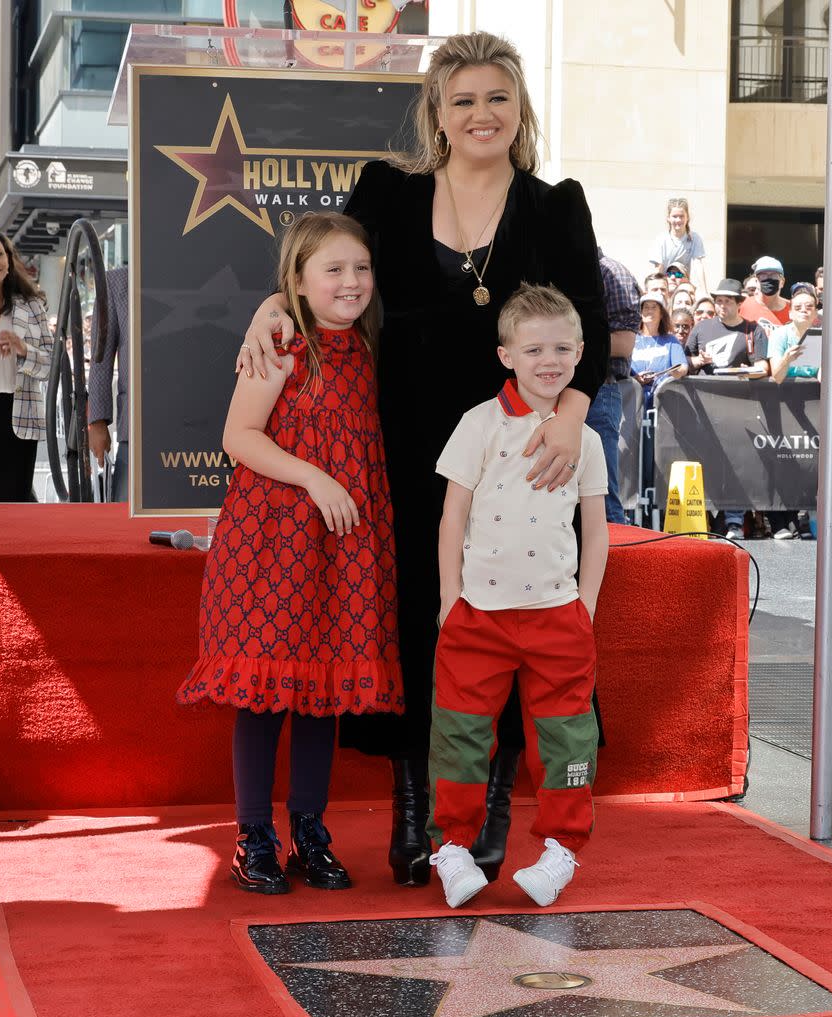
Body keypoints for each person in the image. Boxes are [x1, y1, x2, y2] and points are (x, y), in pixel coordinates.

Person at [238, 31, 609, 888]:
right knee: (420, 621)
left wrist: (569, 419)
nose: (482, 114)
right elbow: (323, 270)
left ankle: (491, 810)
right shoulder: (388, 192)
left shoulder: (558, 206)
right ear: (437, 116)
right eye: (464, 100)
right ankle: (417, 807)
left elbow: (588, 330)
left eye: (497, 98)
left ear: (519, 112)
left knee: (517, 617)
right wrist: (271, 304)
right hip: (400, 449)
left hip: (526, 452)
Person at [178, 213, 403, 895]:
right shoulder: (282, 341)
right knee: (264, 694)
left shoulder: (368, 346)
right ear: (297, 282)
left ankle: (309, 827)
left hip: (343, 545)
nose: (351, 281)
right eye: (332, 269)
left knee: (322, 694)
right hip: (270, 541)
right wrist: (314, 475)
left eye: (360, 268)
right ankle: (254, 834)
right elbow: (239, 435)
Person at [427, 284, 609, 909]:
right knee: (460, 731)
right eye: (533, 349)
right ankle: (451, 849)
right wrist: (451, 597)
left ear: (581, 352)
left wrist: (586, 603)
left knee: (567, 736)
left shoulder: (584, 437)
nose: (549, 360)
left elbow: (596, 526)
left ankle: (561, 851)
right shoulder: (478, 423)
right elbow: (453, 517)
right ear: (506, 355)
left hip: (558, 617)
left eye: (562, 347)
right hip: (478, 615)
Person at [686, 278, 769, 541]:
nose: (721, 306)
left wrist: (748, 371)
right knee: (707, 464)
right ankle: (704, 519)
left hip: (740, 405)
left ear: (739, 303)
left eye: (727, 301)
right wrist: (698, 360)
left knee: (738, 463)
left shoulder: (753, 330)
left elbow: (763, 367)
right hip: (705, 406)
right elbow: (684, 360)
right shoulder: (702, 328)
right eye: (718, 301)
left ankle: (734, 520)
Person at [0, 227, 53, 501]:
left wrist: (23, 350)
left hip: (19, 418)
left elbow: (51, 367)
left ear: (9, 259)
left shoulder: (32, 306)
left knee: (14, 510)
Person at [586, 247, 640, 525]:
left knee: (602, 495)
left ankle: (617, 564)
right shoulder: (554, 267)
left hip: (597, 389)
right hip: (552, 391)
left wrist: (563, 345)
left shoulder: (611, 272)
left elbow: (623, 344)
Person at [766, 284, 820, 540]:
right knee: (783, 461)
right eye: (797, 307)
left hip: (814, 409)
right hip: (783, 407)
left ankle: (802, 520)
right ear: (790, 312)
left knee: (811, 464)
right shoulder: (779, 335)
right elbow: (776, 376)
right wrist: (787, 358)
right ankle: (778, 521)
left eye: (808, 307)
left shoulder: (822, 335)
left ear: (816, 312)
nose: (803, 311)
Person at [87, 266, 130, 501]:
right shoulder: (116, 281)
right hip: (134, 427)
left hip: (201, 424)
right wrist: (98, 422)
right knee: (125, 518)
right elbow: (100, 358)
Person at [631, 292, 688, 406]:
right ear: (640, 312)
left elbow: (682, 367)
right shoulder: (631, 338)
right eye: (646, 307)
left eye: (654, 307)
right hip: (633, 404)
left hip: (663, 406)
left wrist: (676, 372)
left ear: (661, 314)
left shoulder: (671, 340)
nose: (649, 310)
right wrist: (635, 379)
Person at [648, 197, 708, 292]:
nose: (678, 220)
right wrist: (652, 290)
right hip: (666, 285)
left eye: (681, 216)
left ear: (687, 217)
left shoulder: (694, 238)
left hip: (683, 284)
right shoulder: (661, 239)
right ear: (668, 218)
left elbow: (698, 265)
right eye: (674, 216)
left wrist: (704, 291)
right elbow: (658, 267)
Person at [739, 256, 790, 335]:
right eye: (763, 275)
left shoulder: (794, 309)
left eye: (774, 275)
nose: (768, 279)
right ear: (756, 281)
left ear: (782, 282)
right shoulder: (742, 305)